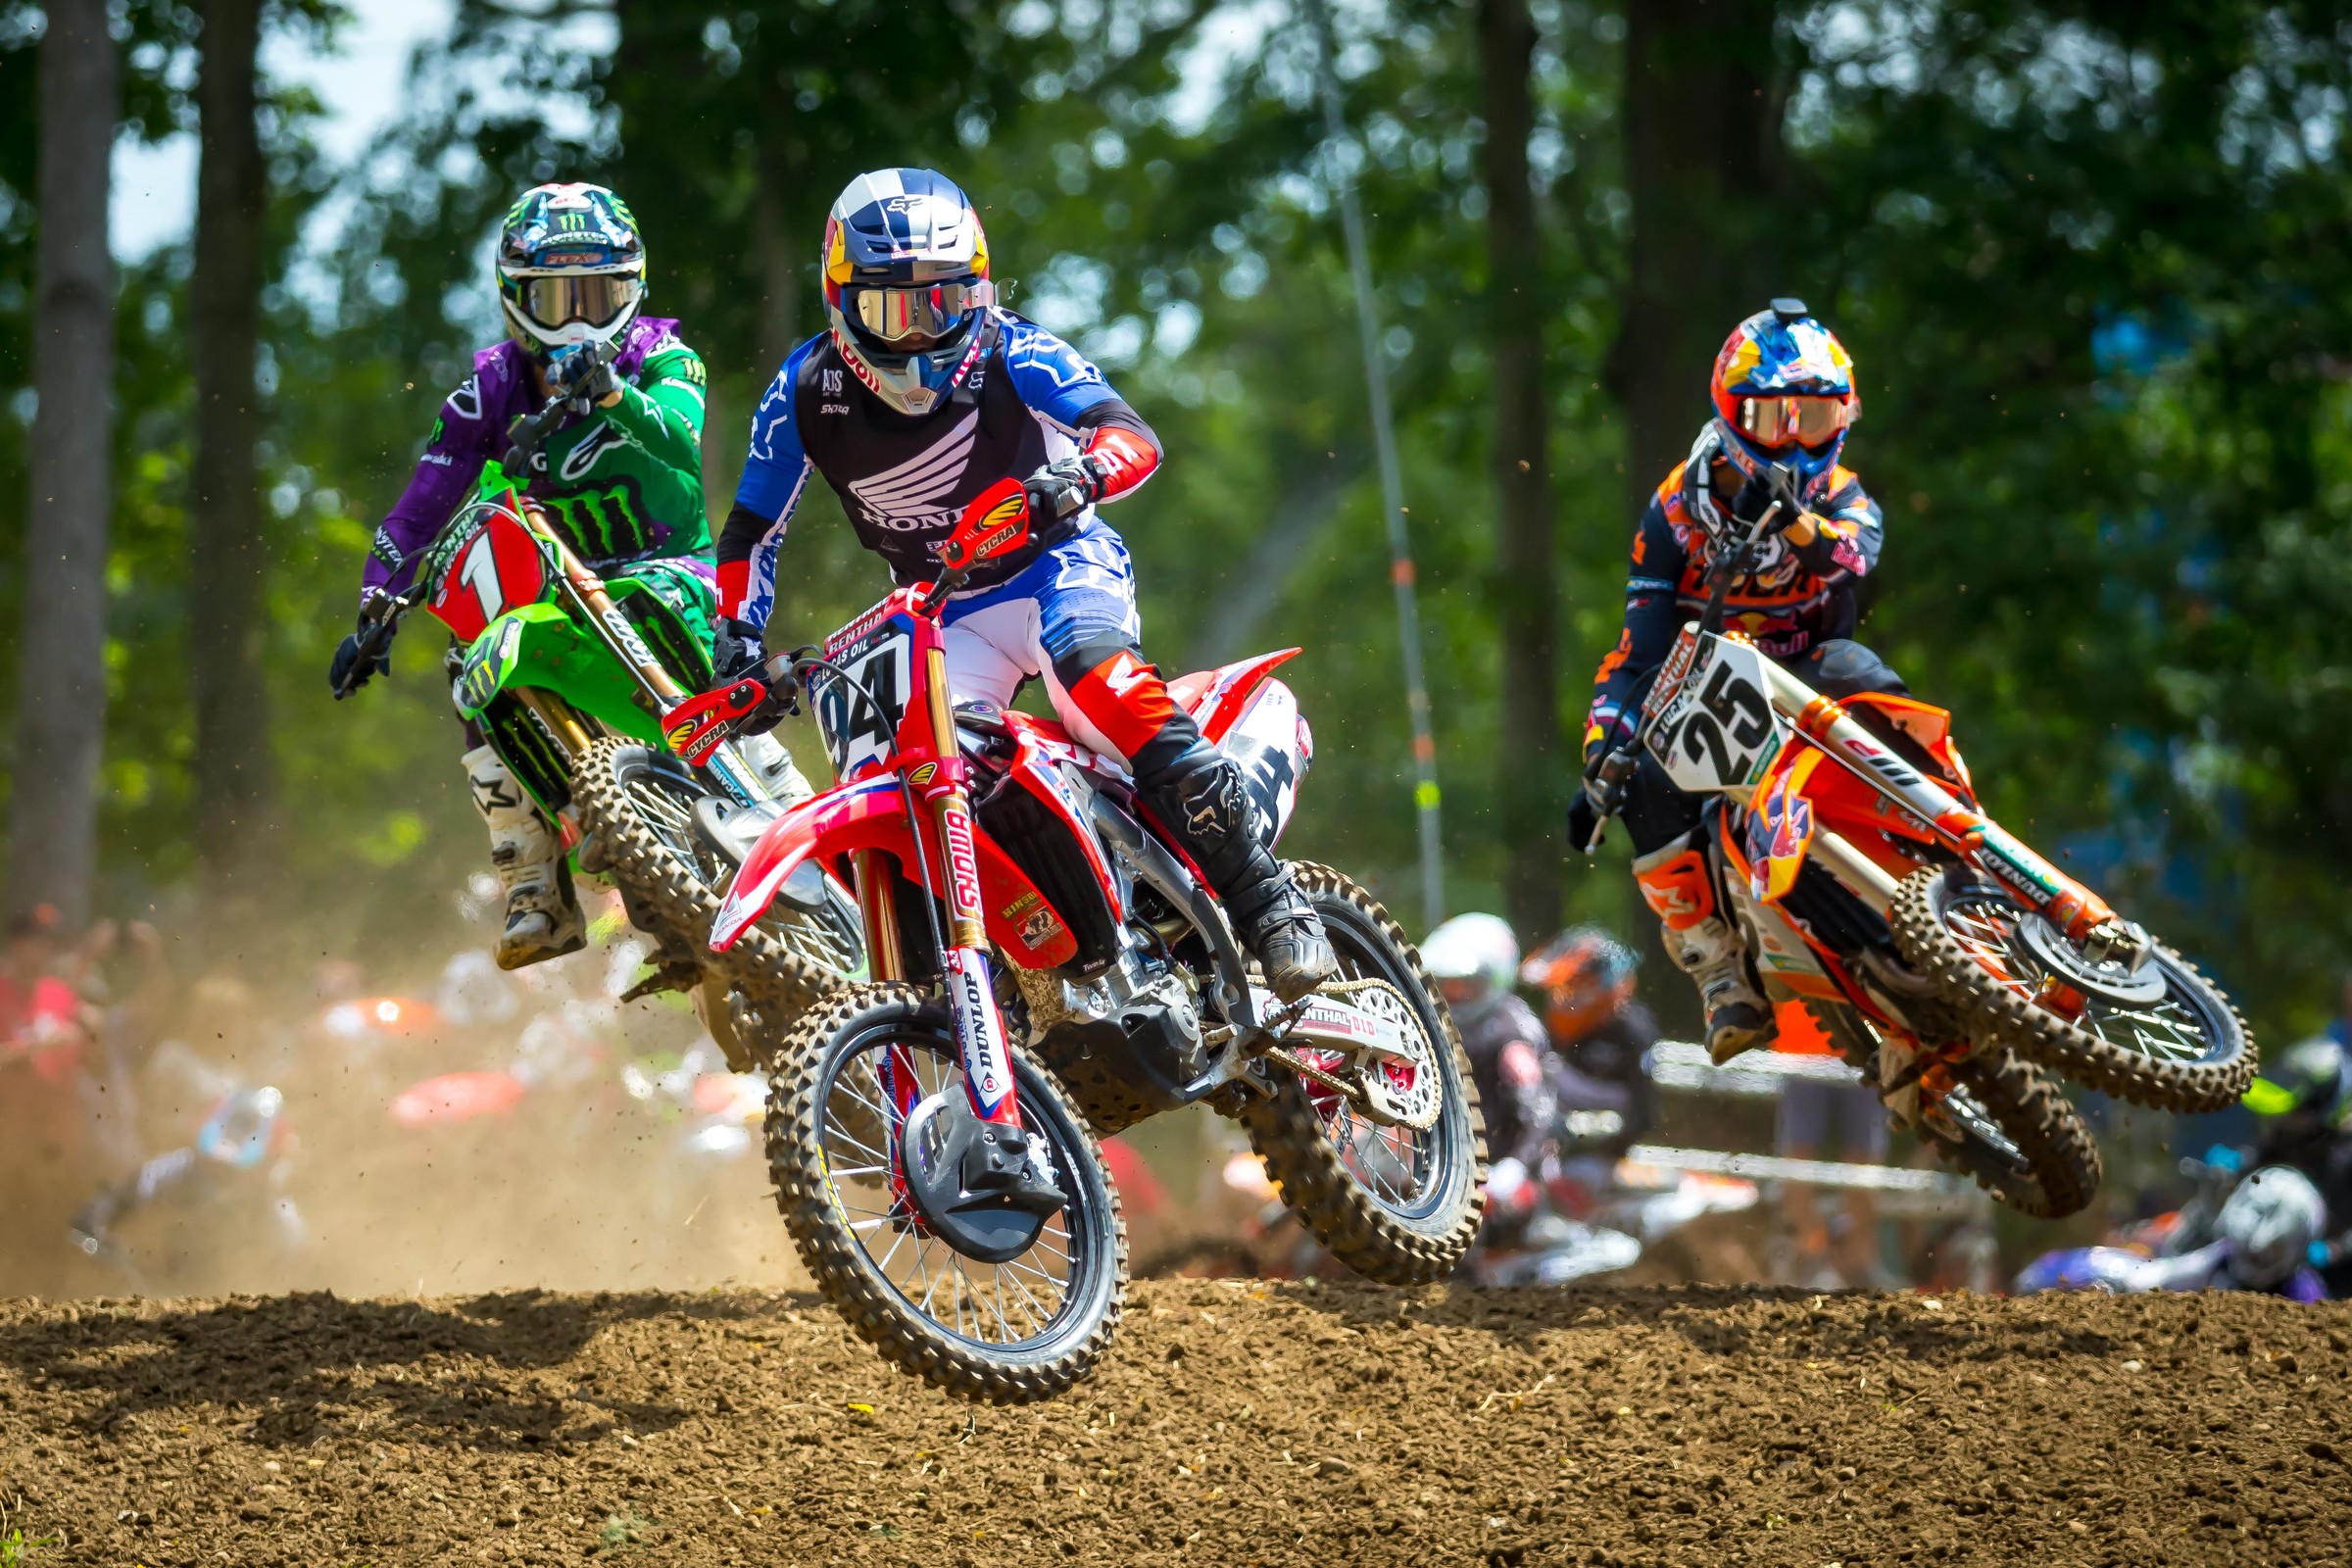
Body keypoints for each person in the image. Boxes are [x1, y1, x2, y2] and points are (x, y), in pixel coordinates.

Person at [714, 168, 1332, 998]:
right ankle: (994, 977)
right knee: (917, 775)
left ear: (979, 289)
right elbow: (753, 531)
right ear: (841, 301)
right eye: (891, 310)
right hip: (939, 612)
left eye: (944, 303)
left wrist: (1080, 478)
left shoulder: (1017, 345)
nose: (919, 335)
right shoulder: (802, 390)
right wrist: (738, 643)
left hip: (1058, 565)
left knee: (1096, 680)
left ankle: (1268, 901)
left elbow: (1130, 434)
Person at [329, 182, 803, 970]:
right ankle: (533, 880)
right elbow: (421, 505)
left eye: (598, 295)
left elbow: (682, 444)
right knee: (470, 666)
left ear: (633, 290)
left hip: (667, 577)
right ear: (517, 299)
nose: (579, 319)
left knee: (707, 648)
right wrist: (375, 605)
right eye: (556, 298)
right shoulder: (490, 388)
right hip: (553, 591)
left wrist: (615, 395)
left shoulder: (663, 356)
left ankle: (788, 802)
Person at [1572, 299, 1896, 1063]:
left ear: (1842, 419)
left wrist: (1793, 522)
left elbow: (1855, 559)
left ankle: (1959, 845)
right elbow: (1638, 642)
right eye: (1770, 417)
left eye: (1811, 421)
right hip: (1710, 692)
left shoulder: (1840, 493)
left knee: (1871, 679)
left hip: (1816, 668)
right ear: (1729, 412)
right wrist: (1601, 749)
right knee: (1643, 780)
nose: (1791, 439)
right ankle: (1721, 971)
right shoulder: (1674, 512)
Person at [1422, 913, 1551, 1244]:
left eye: (1466, 986)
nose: (1453, 995)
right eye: (1444, 984)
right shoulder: (1431, 1026)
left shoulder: (1513, 1034)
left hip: (1508, 1170)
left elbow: (1540, 1111)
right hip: (1447, 1165)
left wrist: (1516, 1166)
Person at [1519, 926, 1657, 1156]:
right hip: (1553, 1148)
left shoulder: (1631, 1030)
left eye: (1577, 987)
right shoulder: (1550, 1026)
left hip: (1602, 1155)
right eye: (1561, 990)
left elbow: (1640, 1110)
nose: (1566, 999)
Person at [2243, 1034, 2352, 1297]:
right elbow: (2253, 1173)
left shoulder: (2346, 1155)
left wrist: (2337, 1249)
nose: (2285, 1118)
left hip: (2334, 1281)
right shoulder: (2281, 1140)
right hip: (2271, 1269)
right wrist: (2233, 1172)